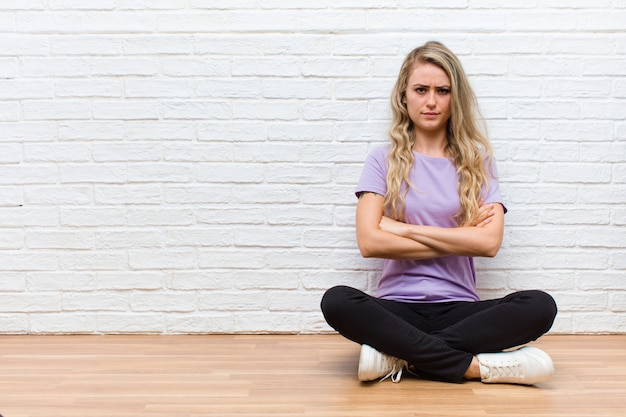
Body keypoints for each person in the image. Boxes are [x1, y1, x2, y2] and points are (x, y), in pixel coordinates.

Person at [320, 41, 557, 385]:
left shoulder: (478, 162)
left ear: (454, 98)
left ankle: (397, 356)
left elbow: (489, 244)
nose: (431, 101)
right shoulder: (381, 160)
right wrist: (463, 238)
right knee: (337, 301)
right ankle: (478, 367)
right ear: (404, 96)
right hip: (396, 309)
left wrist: (400, 229)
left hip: (460, 310)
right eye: (421, 89)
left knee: (540, 306)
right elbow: (370, 242)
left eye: (442, 91)